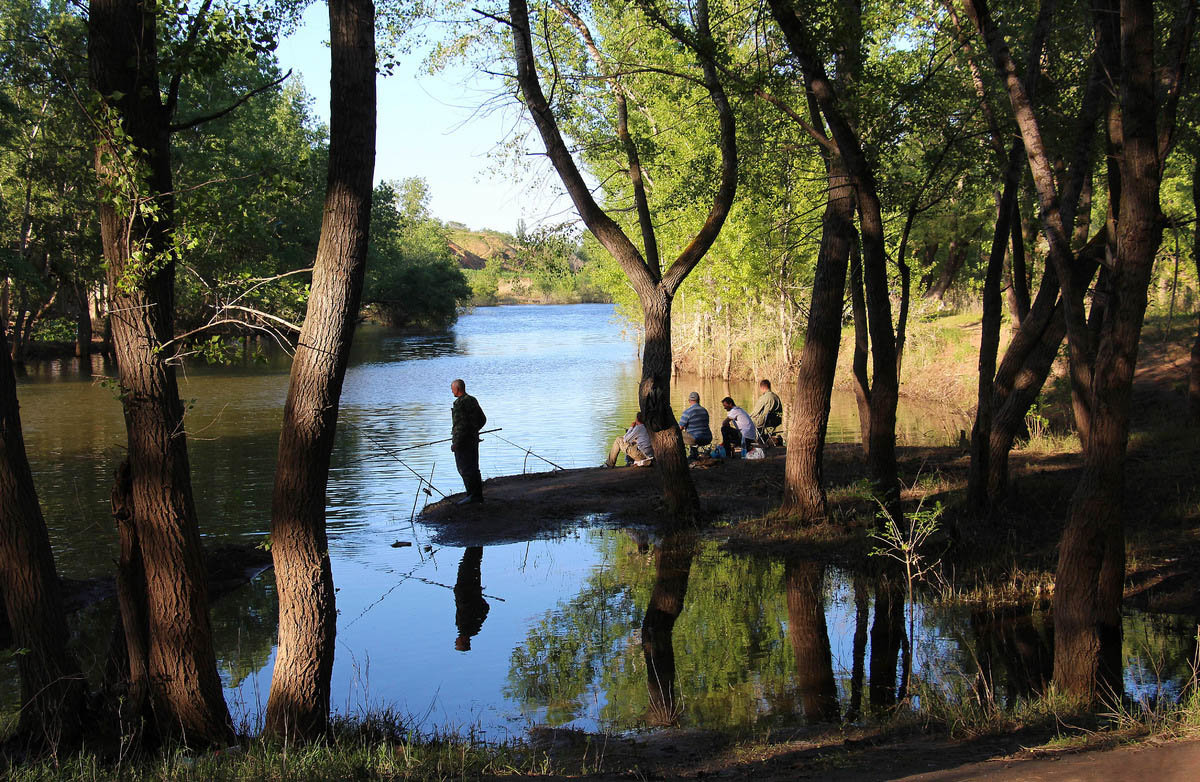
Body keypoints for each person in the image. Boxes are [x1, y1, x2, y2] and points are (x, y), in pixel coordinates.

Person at [450, 378, 487, 504]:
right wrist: (474, 431)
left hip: (463, 442)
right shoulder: (472, 400)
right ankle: (477, 495)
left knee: (464, 468)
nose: (452, 391)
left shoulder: (459, 404)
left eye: (452, 389)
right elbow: (482, 419)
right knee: (474, 467)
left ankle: (472, 495)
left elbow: (460, 426)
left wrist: (456, 443)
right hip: (473, 440)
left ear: (458, 389)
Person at [453, 546, 489, 651]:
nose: (455, 641)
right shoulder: (466, 627)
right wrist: (472, 596)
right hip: (466, 587)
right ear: (464, 641)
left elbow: (485, 608)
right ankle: (476, 541)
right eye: (457, 643)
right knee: (469, 563)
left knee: (472, 562)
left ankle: (477, 543)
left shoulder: (472, 629)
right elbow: (464, 605)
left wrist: (477, 597)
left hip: (471, 587)